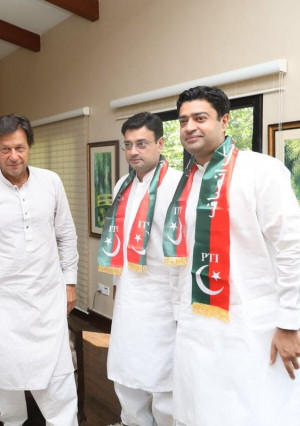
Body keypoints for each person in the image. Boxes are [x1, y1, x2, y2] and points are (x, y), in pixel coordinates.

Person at [163, 86, 300, 426]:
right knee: (199, 412)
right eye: (183, 120)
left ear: (224, 121)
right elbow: (179, 257)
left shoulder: (261, 170)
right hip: (196, 327)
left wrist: (288, 323)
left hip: (252, 328)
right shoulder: (185, 183)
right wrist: (177, 314)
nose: (189, 127)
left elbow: (295, 249)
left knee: (252, 413)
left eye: (200, 118)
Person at [0, 114, 79, 425]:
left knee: (58, 375)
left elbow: (66, 234)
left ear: (29, 147)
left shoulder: (51, 182)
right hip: (2, 302)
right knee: (7, 374)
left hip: (46, 297)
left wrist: (70, 282)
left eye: (20, 148)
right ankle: (12, 421)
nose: (13, 156)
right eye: (5, 149)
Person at [98, 112, 182, 426]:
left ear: (160, 143)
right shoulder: (122, 185)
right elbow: (118, 242)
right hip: (129, 294)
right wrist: (116, 284)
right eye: (128, 145)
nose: (133, 151)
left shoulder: (180, 185)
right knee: (127, 373)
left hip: (163, 298)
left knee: (163, 381)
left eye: (142, 144)